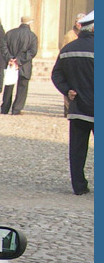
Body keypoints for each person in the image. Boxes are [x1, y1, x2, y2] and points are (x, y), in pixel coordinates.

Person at [51, 11, 94, 195]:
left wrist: (67, 90)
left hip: (77, 107)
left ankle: (79, 186)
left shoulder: (68, 49)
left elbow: (56, 75)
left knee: (77, 149)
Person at [1, 16, 38, 115]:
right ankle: (17, 108)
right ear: (29, 23)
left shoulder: (9, 33)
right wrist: (19, 60)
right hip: (24, 65)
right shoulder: (32, 36)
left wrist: (10, 58)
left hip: (11, 64)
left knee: (9, 86)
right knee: (22, 87)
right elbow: (32, 51)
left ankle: (4, 108)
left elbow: (3, 47)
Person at [60, 14, 86, 115]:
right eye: (79, 23)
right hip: (71, 65)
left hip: (81, 65)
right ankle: (68, 110)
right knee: (69, 88)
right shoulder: (70, 35)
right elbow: (64, 50)